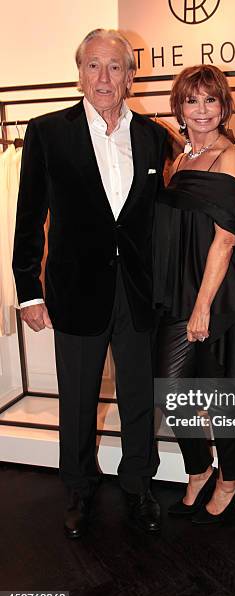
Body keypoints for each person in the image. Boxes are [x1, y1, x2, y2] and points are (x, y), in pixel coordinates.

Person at [12, 29, 167, 538]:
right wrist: (28, 289)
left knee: (138, 393)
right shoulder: (46, 132)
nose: (104, 77)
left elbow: (157, 219)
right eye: (94, 66)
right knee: (77, 396)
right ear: (80, 72)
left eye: (115, 67)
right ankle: (78, 487)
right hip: (75, 289)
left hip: (138, 291)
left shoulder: (152, 135)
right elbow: (29, 216)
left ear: (130, 74)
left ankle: (138, 483)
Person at [154, 65, 235, 524]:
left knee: (222, 394)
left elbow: (226, 238)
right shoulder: (177, 161)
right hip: (179, 293)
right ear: (179, 107)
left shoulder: (230, 156)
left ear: (223, 106)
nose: (201, 109)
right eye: (192, 100)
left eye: (210, 100)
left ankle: (231, 477)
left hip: (217, 295)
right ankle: (198, 469)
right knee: (172, 391)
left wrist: (202, 306)